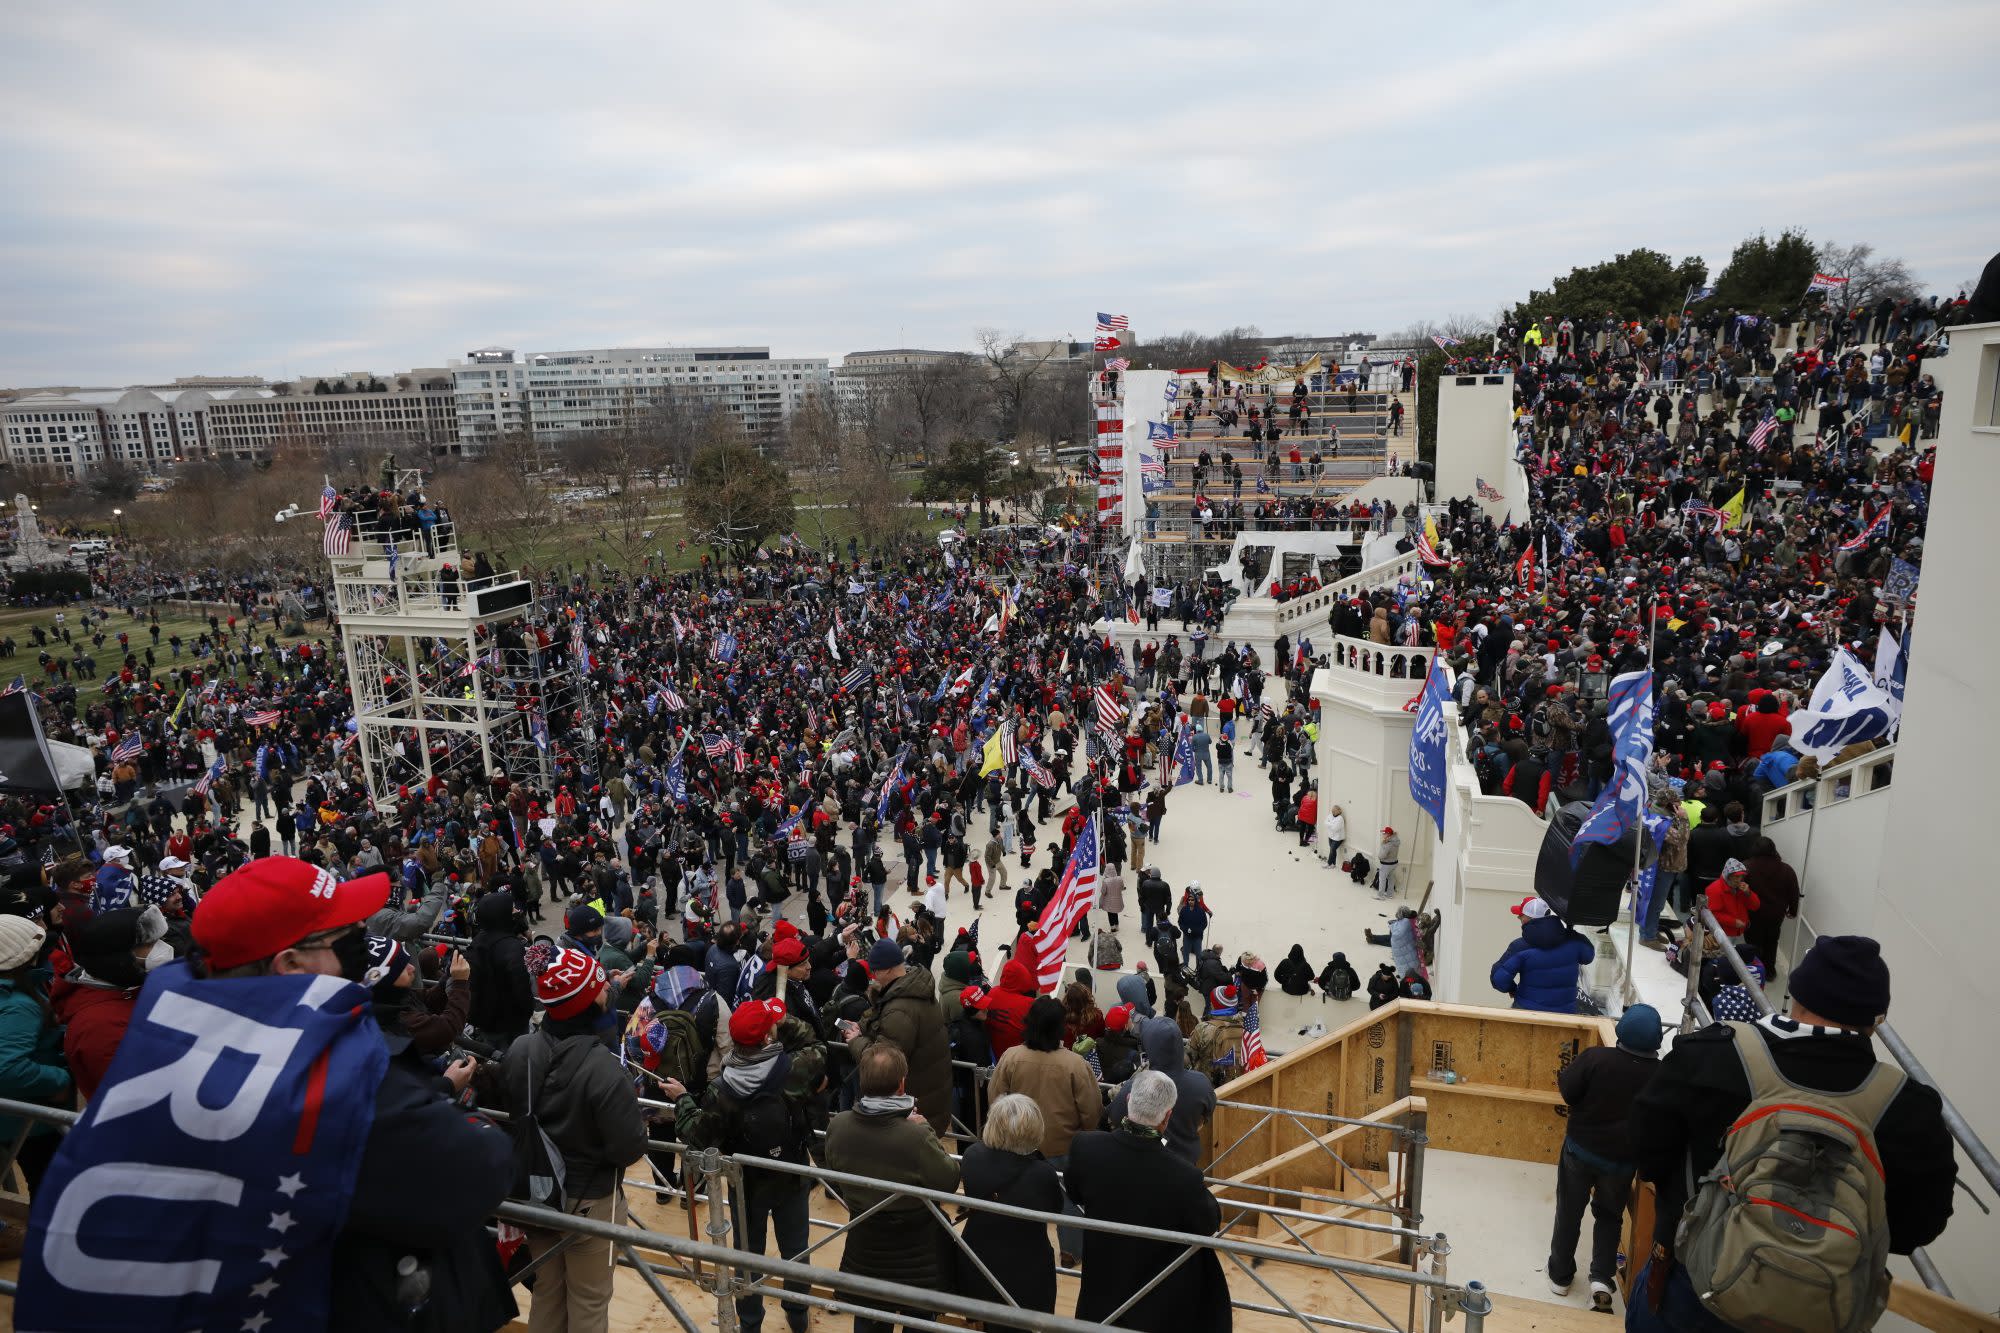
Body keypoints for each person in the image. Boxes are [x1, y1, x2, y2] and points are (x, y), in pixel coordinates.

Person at [19, 855, 517, 1331]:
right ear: (291, 965)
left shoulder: (167, 1033)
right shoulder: (325, 1081)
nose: (361, 945)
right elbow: (478, 1165)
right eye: (347, 935)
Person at [1629, 936, 1956, 1333]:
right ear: (1874, 1021)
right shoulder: (1909, 1109)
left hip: (1694, 1292)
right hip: (1820, 1308)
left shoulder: (1707, 1057)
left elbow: (1646, 1154)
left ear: (1796, 994)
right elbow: (1915, 1230)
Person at [501, 941, 650, 1333]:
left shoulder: (520, 1050)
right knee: (589, 1299)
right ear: (585, 1005)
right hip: (590, 1202)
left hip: (537, 1194)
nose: (608, 992)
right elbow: (628, 1148)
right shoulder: (603, 1069)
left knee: (548, 1290)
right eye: (602, 988)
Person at [671, 996, 825, 1333]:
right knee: (796, 1250)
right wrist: (783, 1022)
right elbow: (817, 1044)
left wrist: (682, 1098)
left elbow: (696, 1135)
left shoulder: (720, 1089)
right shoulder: (794, 1069)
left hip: (746, 1185)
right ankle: (798, 1315)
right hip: (792, 1173)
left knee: (746, 1255)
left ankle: (750, 1322)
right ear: (768, 1037)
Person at [1066, 1069, 1232, 1332]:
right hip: (1154, 1296)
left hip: (1102, 1285)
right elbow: (1209, 1222)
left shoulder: (1085, 1148)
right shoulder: (1183, 1175)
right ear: (1167, 1118)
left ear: (1129, 1099)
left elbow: (1074, 1193)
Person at [824, 1044, 963, 1333]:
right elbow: (949, 1181)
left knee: (868, 1314)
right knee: (919, 1319)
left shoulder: (839, 1125)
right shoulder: (915, 1135)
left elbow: (835, 1171)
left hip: (865, 1239)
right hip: (917, 1248)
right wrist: (924, 1130)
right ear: (902, 1084)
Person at [1547, 1004, 1661, 1311]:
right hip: (1621, 1162)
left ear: (1622, 1031)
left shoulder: (1597, 1058)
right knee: (1610, 1217)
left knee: (1569, 1212)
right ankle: (1601, 1279)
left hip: (1581, 1150)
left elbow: (1569, 1091)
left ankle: (1560, 1277)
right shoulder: (1659, 1075)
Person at [988, 996, 1101, 1263]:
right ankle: (1070, 1253)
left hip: (1018, 1145)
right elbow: (1091, 1109)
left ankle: (1017, 1249)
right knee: (1069, 1202)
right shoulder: (1075, 1063)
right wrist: (1084, 1134)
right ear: (1060, 1027)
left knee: (1017, 1198)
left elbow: (996, 1098)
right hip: (1062, 1144)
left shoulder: (1011, 1057)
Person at [957, 1092, 1065, 1320]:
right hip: (1026, 1267)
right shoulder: (1042, 1173)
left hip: (978, 1259)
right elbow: (1055, 1209)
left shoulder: (973, 1156)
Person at [50, 903, 172, 1101]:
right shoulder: (99, 1026)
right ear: (119, 957)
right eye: (151, 943)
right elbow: (133, 1096)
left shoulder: (124, 992)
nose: (163, 949)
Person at [844, 937, 953, 1132]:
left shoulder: (900, 1009)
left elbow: (882, 1062)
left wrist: (855, 1041)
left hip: (915, 1111)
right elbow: (884, 1022)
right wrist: (862, 1026)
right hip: (930, 1099)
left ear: (887, 970)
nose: (874, 977)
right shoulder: (913, 986)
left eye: (875, 971)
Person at [1107, 1014, 1215, 1165]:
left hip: (1148, 1164)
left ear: (1150, 1046)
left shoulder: (1136, 1086)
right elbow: (1208, 1113)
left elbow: (1115, 1116)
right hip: (1186, 1165)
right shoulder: (1201, 1083)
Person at [1489, 901, 1596, 1013]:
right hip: (1565, 1014)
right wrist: (1572, 932)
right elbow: (1588, 957)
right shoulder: (1574, 940)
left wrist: (1512, 989)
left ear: (1527, 919)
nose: (1519, 918)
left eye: (1521, 916)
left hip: (1527, 1012)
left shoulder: (1520, 946)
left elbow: (1499, 979)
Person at [1375, 826, 1400, 899]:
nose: (1383, 835)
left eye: (1384, 833)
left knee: (1382, 879)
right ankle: (1390, 894)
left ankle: (1380, 895)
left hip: (1386, 864)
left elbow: (1381, 856)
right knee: (1391, 879)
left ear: (1388, 834)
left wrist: (1383, 844)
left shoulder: (1388, 844)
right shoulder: (1396, 841)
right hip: (1394, 863)